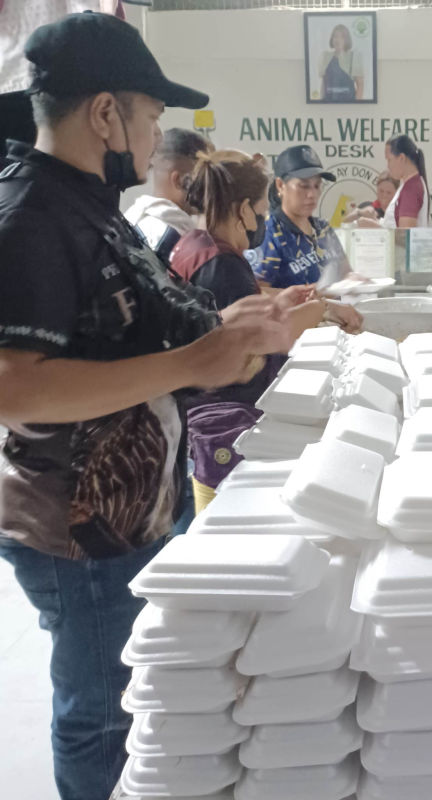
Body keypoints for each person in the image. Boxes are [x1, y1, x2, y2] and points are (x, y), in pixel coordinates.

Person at [0, 14, 290, 800]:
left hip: (125, 511)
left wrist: (233, 328)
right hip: (78, 527)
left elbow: (138, 333)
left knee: (137, 696)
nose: (157, 133)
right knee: (101, 714)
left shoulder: (92, 207)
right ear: (105, 114)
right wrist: (191, 361)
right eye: (150, 114)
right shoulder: (31, 216)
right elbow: (14, 384)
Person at [170, 149, 334, 510]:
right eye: (261, 210)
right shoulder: (222, 264)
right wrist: (318, 310)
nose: (263, 218)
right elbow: (244, 351)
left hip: (204, 425)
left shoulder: (196, 245)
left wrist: (278, 302)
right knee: (222, 522)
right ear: (243, 209)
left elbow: (224, 320)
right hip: (224, 429)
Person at [254, 145, 363, 327]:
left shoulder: (323, 229)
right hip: (295, 339)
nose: (312, 194)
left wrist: (355, 279)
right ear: (281, 185)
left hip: (334, 331)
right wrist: (323, 305)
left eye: (317, 186)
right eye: (303, 186)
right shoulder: (269, 234)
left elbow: (345, 271)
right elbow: (256, 293)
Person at [124, 127, 213, 263]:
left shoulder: (131, 220)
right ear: (178, 180)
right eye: (203, 178)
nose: (208, 188)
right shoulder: (174, 240)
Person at [359, 135, 429, 228]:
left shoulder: (411, 189)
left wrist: (375, 227)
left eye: (389, 160)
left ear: (401, 158)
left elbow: (406, 235)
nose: (388, 166)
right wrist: (378, 223)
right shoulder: (411, 184)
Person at [319, 23, 363, 102]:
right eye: (335, 36)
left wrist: (356, 107)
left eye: (342, 37)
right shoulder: (326, 56)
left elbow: (360, 85)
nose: (337, 40)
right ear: (332, 39)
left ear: (347, 40)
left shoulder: (354, 57)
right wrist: (320, 103)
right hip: (328, 104)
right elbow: (323, 84)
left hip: (348, 104)